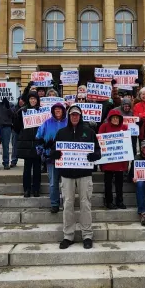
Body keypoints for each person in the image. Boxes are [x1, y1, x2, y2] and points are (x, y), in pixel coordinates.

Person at [51, 105, 101, 249]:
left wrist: (95, 155)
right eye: (72, 114)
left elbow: (97, 150)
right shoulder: (61, 133)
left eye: (77, 115)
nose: (74, 117)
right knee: (68, 204)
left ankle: (87, 235)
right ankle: (68, 235)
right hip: (67, 174)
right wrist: (54, 154)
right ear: (69, 116)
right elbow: (55, 149)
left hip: (84, 174)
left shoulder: (89, 132)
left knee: (85, 204)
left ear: (80, 116)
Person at [36, 102, 68, 213]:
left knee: (66, 183)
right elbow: (38, 138)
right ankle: (54, 203)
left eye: (60, 109)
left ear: (63, 110)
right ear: (53, 111)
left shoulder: (69, 122)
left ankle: (66, 203)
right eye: (56, 109)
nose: (57, 111)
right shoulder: (46, 123)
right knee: (53, 182)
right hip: (51, 158)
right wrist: (42, 151)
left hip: (67, 159)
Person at [13, 90, 43, 197]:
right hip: (26, 144)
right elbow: (16, 128)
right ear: (28, 100)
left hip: (38, 143)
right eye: (31, 99)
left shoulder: (41, 111)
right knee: (27, 168)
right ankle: (26, 189)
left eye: (34, 99)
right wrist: (20, 114)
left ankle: (36, 189)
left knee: (37, 168)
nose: (33, 100)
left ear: (37, 100)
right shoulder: (23, 111)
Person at [98, 109, 129, 209]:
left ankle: (119, 201)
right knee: (108, 183)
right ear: (110, 118)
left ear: (120, 119)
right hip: (108, 161)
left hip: (120, 160)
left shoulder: (124, 127)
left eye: (117, 118)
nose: (115, 119)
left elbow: (127, 145)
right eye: (113, 118)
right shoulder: (104, 126)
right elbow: (100, 141)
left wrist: (126, 162)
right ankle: (109, 202)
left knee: (119, 183)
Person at [0, 93, 14, 170]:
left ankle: (6, 163)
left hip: (6, 126)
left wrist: (7, 106)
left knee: (6, 146)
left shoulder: (10, 104)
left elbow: (12, 115)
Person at [10, 94, 26, 167]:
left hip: (25, 130)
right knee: (14, 146)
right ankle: (14, 160)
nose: (21, 101)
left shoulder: (27, 109)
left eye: (22, 100)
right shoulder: (14, 108)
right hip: (15, 129)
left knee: (25, 146)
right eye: (20, 99)